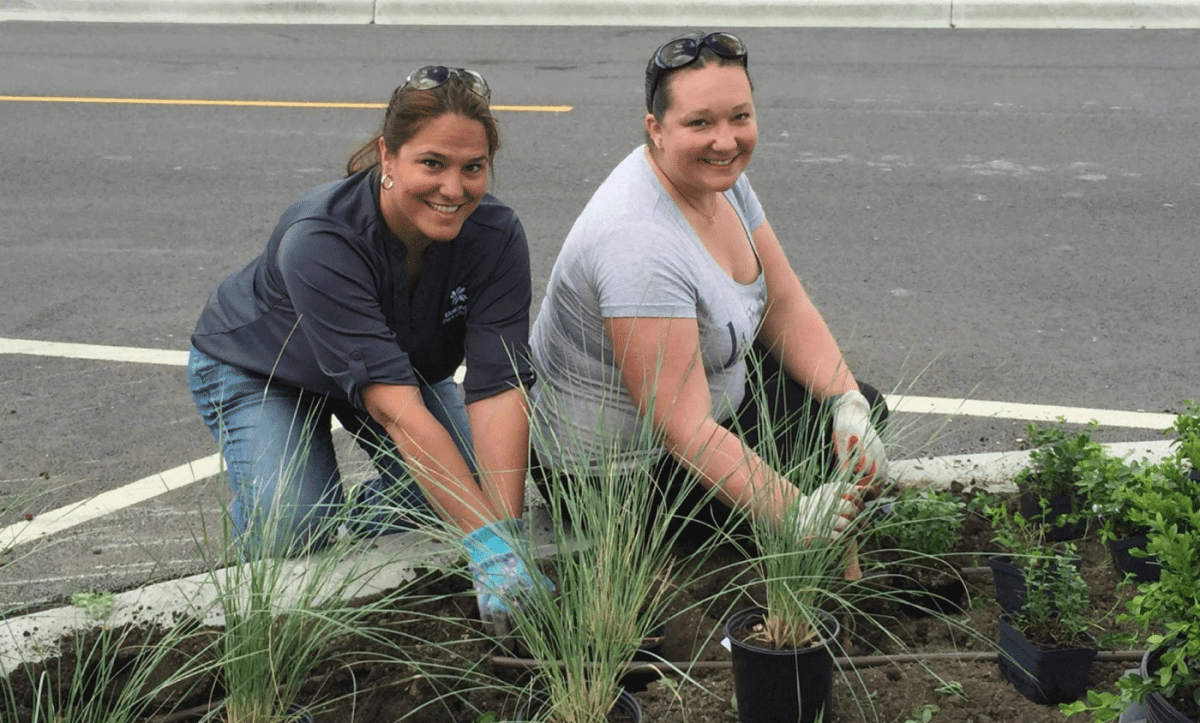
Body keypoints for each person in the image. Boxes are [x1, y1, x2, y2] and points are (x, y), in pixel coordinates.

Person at [187, 65, 547, 633]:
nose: (454, 189)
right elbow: (396, 410)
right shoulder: (322, 237)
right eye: (432, 163)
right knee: (297, 524)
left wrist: (504, 542)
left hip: (392, 368)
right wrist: (485, 544)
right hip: (269, 368)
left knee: (471, 494)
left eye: (472, 168)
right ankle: (273, 518)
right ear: (388, 155)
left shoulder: (496, 235)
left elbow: (499, 386)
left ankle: (360, 514)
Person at [528, 32, 890, 543]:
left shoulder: (717, 177)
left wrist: (846, 400)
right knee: (819, 467)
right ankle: (800, 553)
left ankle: (830, 532)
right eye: (700, 122)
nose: (726, 140)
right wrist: (793, 512)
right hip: (619, 480)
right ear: (655, 129)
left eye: (739, 117)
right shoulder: (638, 245)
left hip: (700, 409)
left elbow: (781, 304)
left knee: (860, 414)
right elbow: (683, 429)